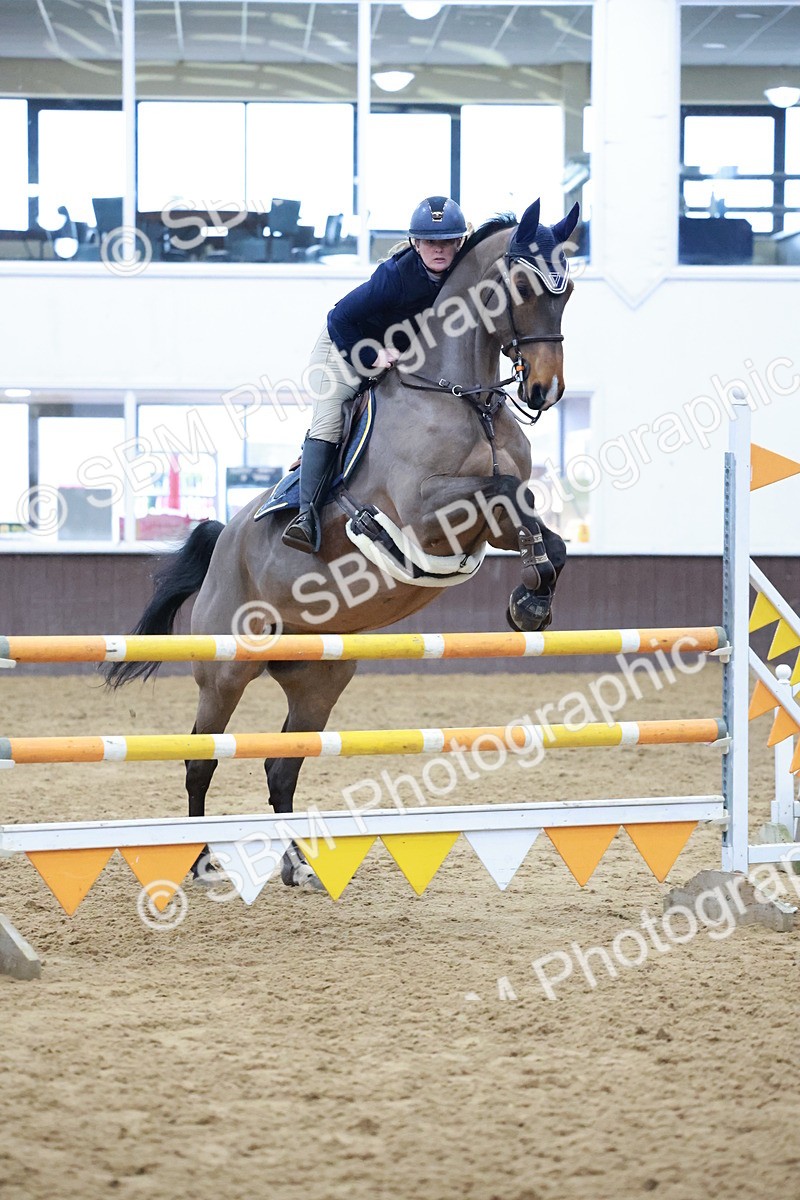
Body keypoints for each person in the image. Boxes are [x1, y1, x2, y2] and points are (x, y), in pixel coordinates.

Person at [282, 195, 468, 553]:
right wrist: (372, 354)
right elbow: (339, 317)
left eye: (447, 241)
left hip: (393, 356)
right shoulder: (394, 277)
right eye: (430, 242)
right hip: (341, 349)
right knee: (331, 417)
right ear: (416, 242)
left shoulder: (458, 275)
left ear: (459, 243)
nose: (439, 249)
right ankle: (305, 518)